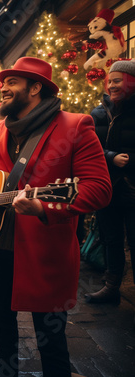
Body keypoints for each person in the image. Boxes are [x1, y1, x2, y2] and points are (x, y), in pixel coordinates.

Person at [0, 56, 112, 377]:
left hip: (46, 255)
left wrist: (44, 207)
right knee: (3, 331)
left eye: (12, 82)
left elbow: (99, 188)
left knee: (51, 341)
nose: (2, 87)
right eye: (3, 82)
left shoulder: (75, 126)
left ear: (36, 87)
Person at [85, 60, 135, 304]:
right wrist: (111, 158)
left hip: (132, 188)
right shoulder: (98, 113)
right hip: (107, 187)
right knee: (111, 239)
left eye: (118, 80)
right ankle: (111, 286)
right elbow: (89, 149)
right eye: (110, 81)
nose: (112, 85)